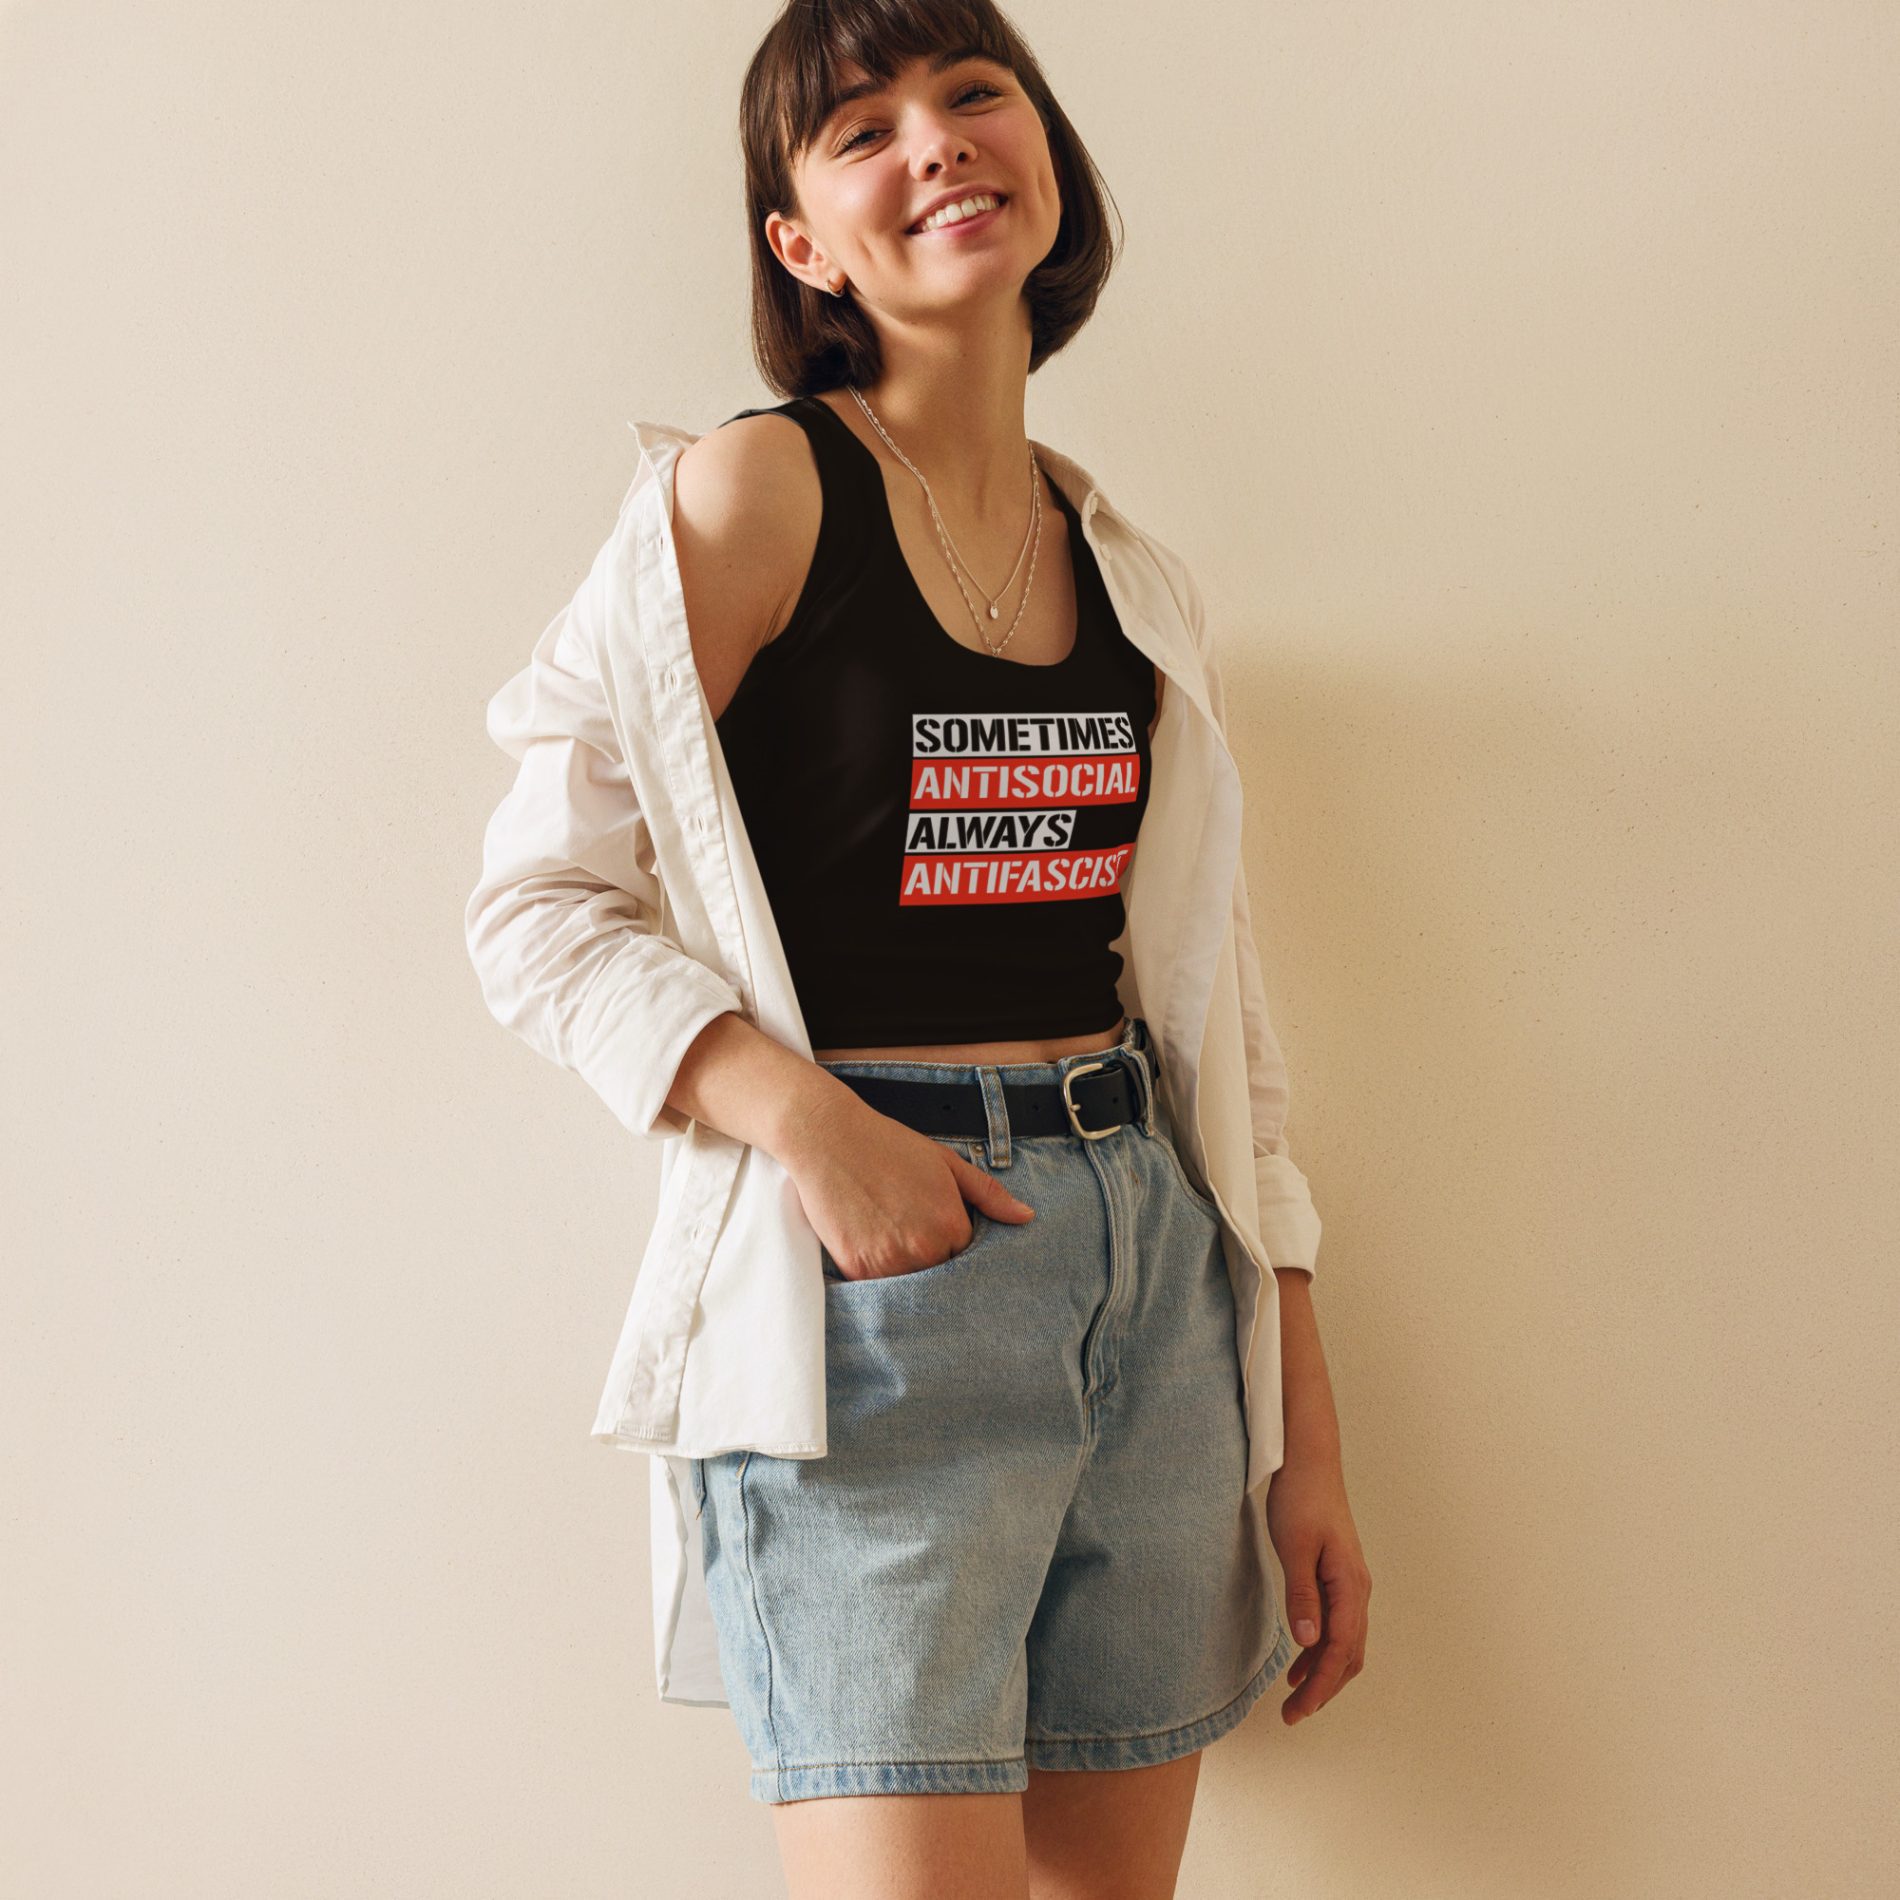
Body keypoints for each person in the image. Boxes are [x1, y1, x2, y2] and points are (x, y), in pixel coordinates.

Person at [465, 4, 1370, 1895]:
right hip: (874, 1307)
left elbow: (1229, 1034)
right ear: (800, 242)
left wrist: (1306, 1430)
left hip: (1154, 1282)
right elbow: (535, 907)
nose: (937, 140)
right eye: (861, 127)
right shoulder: (752, 495)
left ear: (1046, 156)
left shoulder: (1132, 575)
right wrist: (813, 1128)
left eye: (972, 95)